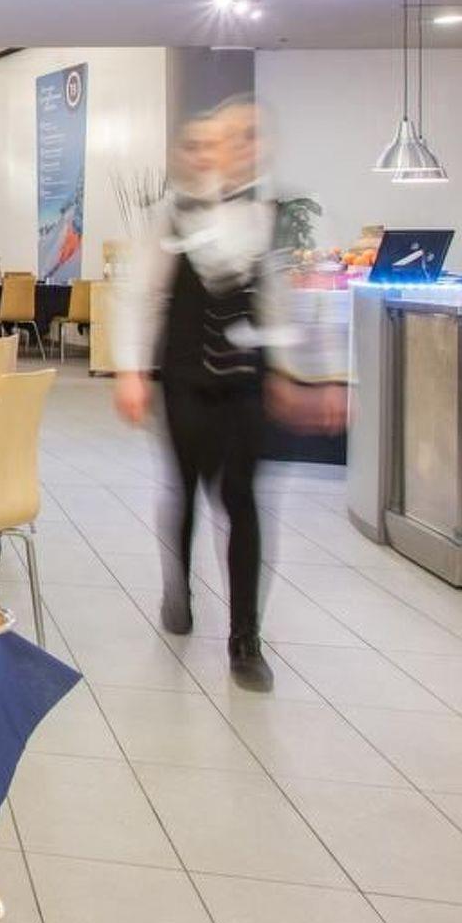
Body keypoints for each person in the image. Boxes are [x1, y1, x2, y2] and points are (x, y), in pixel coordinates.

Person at [112, 97, 338, 691]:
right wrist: (132, 370)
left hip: (247, 383)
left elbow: (281, 301)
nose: (230, 150)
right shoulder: (168, 217)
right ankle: (178, 588)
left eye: (244, 138)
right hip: (184, 377)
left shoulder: (271, 216)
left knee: (243, 497)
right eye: (217, 141)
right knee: (184, 487)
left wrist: (298, 374)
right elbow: (138, 295)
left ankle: (245, 638)